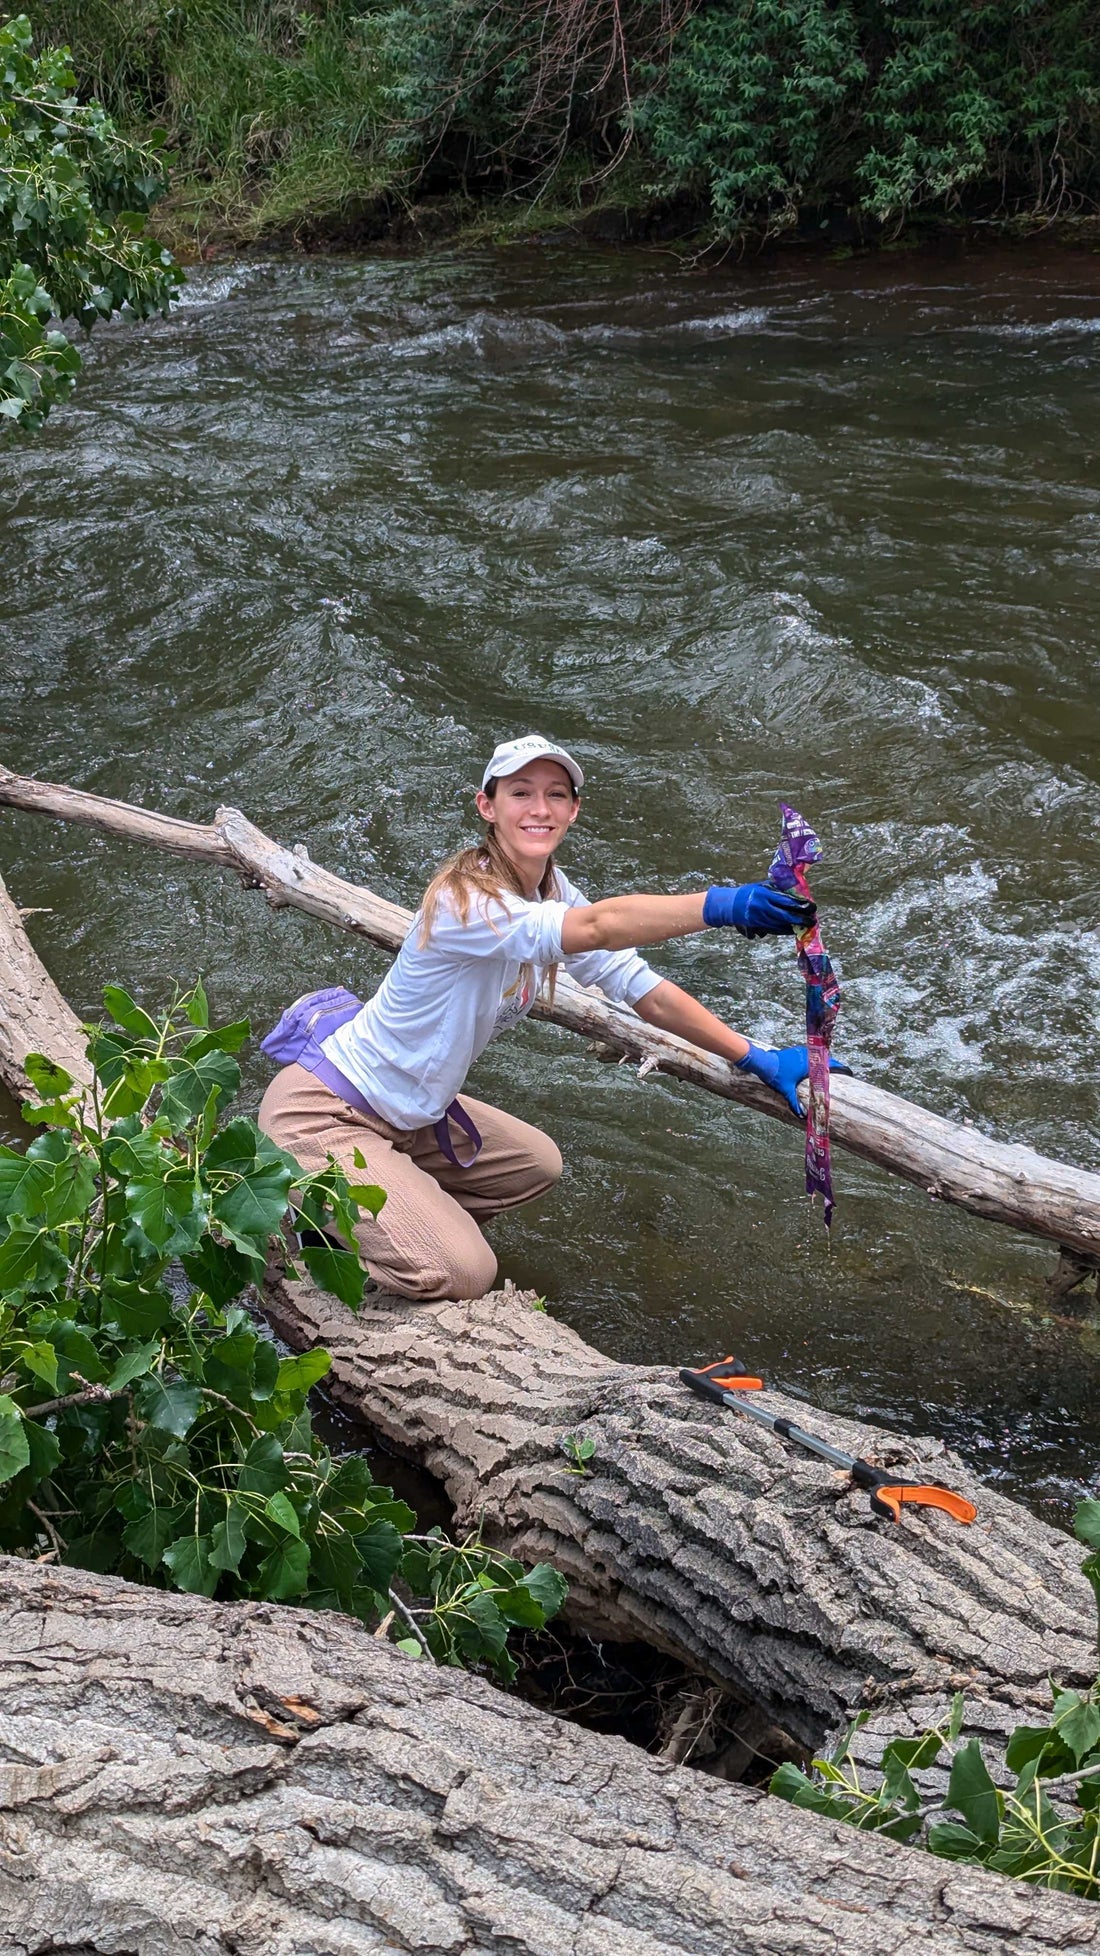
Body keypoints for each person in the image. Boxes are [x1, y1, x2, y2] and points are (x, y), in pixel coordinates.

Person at [258, 733, 843, 1300]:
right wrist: (725, 905)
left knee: (534, 1165)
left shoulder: (552, 889)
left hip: (410, 1117)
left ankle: (380, 1215)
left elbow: (640, 987)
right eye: (520, 792)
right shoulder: (465, 898)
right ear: (488, 806)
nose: (540, 807)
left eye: (556, 794)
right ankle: (306, 1222)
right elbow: (595, 928)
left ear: (574, 810)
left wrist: (754, 1057)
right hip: (327, 1116)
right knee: (465, 1274)